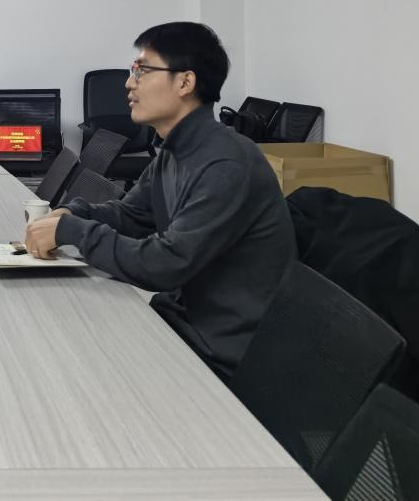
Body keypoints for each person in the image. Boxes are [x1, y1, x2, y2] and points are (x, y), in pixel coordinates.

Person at [24, 22, 295, 378]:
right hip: (183, 321)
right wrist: (74, 212)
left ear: (185, 82)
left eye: (142, 70)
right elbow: (132, 215)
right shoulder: (176, 151)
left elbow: (166, 263)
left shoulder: (225, 163)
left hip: (223, 354)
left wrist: (73, 231)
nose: (129, 83)